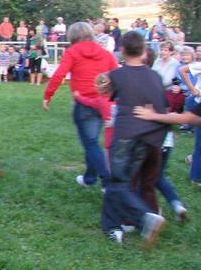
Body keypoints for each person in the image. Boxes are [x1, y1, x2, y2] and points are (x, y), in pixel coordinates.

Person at [98, 32, 168, 246]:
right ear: (144, 50)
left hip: (126, 136)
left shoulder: (118, 75)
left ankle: (145, 218)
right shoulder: (155, 76)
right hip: (148, 138)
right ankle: (112, 227)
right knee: (121, 182)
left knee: (118, 182)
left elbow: (103, 88)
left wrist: (101, 81)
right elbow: (162, 107)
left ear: (122, 51)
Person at [43, 21, 119, 189]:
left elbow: (59, 74)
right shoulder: (105, 53)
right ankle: (89, 179)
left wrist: (48, 95)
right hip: (103, 103)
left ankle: (107, 181)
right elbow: (118, 75)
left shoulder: (72, 52)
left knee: (91, 144)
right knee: (92, 143)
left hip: (84, 104)